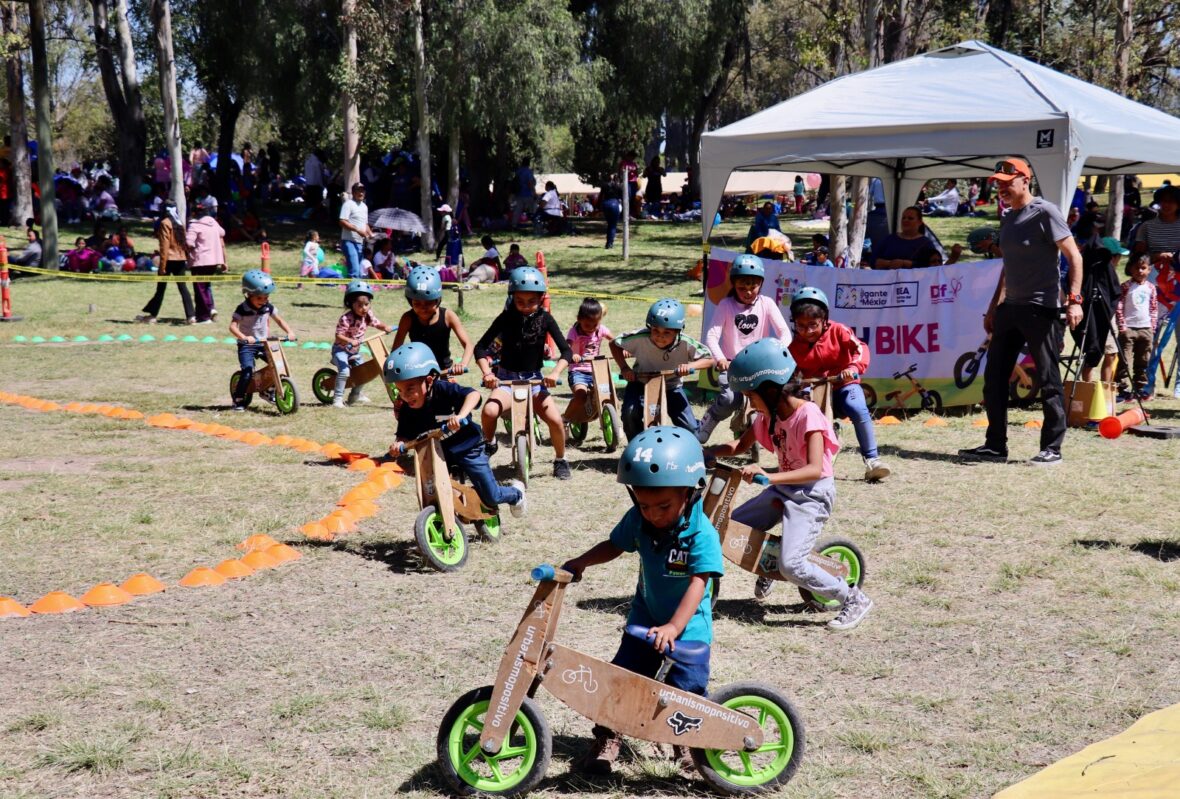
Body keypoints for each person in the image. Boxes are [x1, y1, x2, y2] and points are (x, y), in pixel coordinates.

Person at [562, 426, 722, 776]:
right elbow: (614, 545)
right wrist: (580, 562)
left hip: (689, 626)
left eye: (663, 505)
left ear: (689, 491)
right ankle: (608, 737)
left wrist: (674, 627)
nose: (653, 513)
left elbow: (699, 583)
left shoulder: (701, 533)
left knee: (686, 689)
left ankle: (685, 743)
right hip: (646, 616)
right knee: (623, 679)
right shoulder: (639, 520)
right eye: (644, 504)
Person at [704, 339, 873, 628]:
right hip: (783, 490)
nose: (748, 402)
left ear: (771, 389)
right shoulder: (765, 416)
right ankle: (769, 565)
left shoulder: (808, 415)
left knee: (792, 564)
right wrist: (703, 451)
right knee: (726, 526)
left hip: (811, 495)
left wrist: (769, 476)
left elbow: (814, 469)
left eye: (750, 395)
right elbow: (737, 446)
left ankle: (853, 598)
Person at [958, 157, 1084, 466]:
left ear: (1025, 180)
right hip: (1009, 309)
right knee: (994, 378)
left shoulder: (1045, 212)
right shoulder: (1007, 218)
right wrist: (993, 307)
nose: (1001, 188)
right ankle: (995, 446)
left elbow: (1074, 256)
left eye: (1007, 182)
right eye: (997, 184)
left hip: (1042, 309)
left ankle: (1052, 449)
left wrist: (1075, 299)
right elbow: (1007, 267)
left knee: (1048, 379)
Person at [385, 342, 526, 517]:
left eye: (410, 389)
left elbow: (473, 395)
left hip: (469, 448)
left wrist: (461, 415)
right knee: (433, 490)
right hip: (440, 455)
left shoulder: (442, 389)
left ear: (429, 380)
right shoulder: (407, 408)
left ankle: (515, 493)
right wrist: (399, 444)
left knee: (491, 496)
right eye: (400, 391)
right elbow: (403, 434)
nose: (405, 396)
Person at [473, 267, 574, 480]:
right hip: (506, 380)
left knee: (555, 421)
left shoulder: (546, 319)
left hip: (535, 381)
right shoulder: (505, 318)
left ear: (540, 299)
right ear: (512, 298)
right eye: (520, 301)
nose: (526, 306)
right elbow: (480, 348)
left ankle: (560, 460)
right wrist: (487, 374)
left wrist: (555, 373)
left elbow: (566, 351)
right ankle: (490, 443)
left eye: (531, 301)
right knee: (490, 411)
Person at [788, 288, 889, 481]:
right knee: (805, 416)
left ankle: (872, 460)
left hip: (844, 385)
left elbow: (860, 348)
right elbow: (790, 373)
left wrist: (853, 367)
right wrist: (795, 383)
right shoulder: (794, 348)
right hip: (816, 390)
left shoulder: (839, 330)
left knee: (857, 407)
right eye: (801, 326)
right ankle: (812, 462)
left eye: (813, 325)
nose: (807, 331)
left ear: (824, 320)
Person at [697, 254, 792, 444]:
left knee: (771, 400)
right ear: (733, 285)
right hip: (732, 365)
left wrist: (776, 349)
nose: (748, 292)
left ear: (761, 284)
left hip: (759, 366)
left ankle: (769, 435)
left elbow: (785, 333)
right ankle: (709, 419)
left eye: (753, 287)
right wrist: (721, 358)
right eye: (742, 288)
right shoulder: (726, 305)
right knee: (730, 399)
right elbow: (712, 336)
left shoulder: (767, 303)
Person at [610, 299, 713, 439]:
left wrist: (690, 366)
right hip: (640, 382)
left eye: (667, 332)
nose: (660, 336)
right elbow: (614, 344)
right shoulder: (640, 337)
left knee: (691, 430)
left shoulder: (685, 342)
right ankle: (637, 444)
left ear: (677, 331)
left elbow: (709, 359)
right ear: (649, 327)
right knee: (630, 413)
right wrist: (624, 368)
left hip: (671, 386)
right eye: (655, 330)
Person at [228, 270, 294, 411]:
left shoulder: (268, 307)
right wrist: (244, 337)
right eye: (259, 298)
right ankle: (238, 398)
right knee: (247, 371)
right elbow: (232, 327)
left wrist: (289, 332)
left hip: (264, 343)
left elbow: (279, 320)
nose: (263, 301)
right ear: (249, 294)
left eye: (266, 297)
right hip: (247, 345)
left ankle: (267, 390)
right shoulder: (242, 308)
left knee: (277, 364)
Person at [393, 265, 473, 375]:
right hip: (419, 373)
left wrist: (462, 364)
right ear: (410, 302)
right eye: (417, 303)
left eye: (428, 302)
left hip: (445, 372)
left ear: (437, 300)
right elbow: (395, 351)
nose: (423, 308)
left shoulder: (448, 316)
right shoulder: (407, 319)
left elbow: (468, 344)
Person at [331, 279, 393, 407]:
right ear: (351, 304)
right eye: (359, 305)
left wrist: (385, 327)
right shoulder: (346, 318)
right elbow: (338, 336)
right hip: (341, 350)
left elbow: (376, 323)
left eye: (366, 304)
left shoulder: (367, 315)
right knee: (344, 371)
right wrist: (350, 341)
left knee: (364, 373)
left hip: (354, 351)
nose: (363, 308)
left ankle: (355, 394)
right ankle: (337, 399)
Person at [137, 202, 195, 324]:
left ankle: (152, 316)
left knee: (160, 289)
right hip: (180, 259)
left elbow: (165, 246)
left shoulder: (165, 223)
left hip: (169, 260)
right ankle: (191, 317)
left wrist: (162, 266)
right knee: (183, 288)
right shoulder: (180, 223)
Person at [1114, 252, 1159, 401]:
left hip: (1146, 329)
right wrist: (1122, 326)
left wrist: (1152, 327)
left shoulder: (1151, 288)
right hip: (1128, 329)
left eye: (1143, 268)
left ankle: (1140, 388)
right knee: (1124, 360)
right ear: (1131, 269)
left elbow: (1153, 308)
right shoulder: (1126, 286)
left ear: (1149, 270)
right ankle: (1122, 389)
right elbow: (1119, 306)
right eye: (1137, 268)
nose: (1140, 271)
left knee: (1143, 360)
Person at [563, 298, 614, 422]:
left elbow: (614, 340)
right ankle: (565, 418)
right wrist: (573, 355)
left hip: (595, 370)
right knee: (580, 396)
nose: (591, 328)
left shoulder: (601, 329)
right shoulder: (574, 331)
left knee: (609, 393)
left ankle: (613, 419)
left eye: (594, 325)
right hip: (578, 371)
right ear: (579, 319)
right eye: (587, 325)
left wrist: (623, 349)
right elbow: (566, 346)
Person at [187, 196, 226, 324]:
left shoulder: (194, 226)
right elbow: (223, 233)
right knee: (206, 286)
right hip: (214, 261)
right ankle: (210, 308)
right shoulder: (214, 223)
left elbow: (189, 243)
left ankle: (204, 317)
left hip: (200, 262)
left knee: (200, 288)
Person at [873, 207, 938, 269]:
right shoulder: (889, 239)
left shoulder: (926, 243)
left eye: (910, 218)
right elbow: (873, 260)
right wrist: (889, 263)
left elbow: (933, 266)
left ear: (919, 222)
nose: (905, 220)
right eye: (903, 218)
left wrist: (907, 263)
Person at [338, 182, 372, 280]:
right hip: (348, 241)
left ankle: (355, 290)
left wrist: (370, 234)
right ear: (353, 192)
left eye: (363, 191)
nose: (361, 193)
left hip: (360, 243)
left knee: (359, 270)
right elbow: (342, 221)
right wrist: (357, 230)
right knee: (355, 271)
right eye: (358, 190)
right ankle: (353, 293)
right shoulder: (348, 204)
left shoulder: (364, 207)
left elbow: (365, 224)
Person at [600, 174, 623, 249]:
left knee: (610, 224)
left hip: (606, 203)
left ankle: (608, 242)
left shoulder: (604, 186)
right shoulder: (618, 186)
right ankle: (610, 243)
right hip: (614, 203)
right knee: (613, 225)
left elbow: (601, 196)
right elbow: (622, 196)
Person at [512, 158, 537, 223]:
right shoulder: (528, 171)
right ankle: (534, 223)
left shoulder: (518, 171)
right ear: (528, 163)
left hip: (518, 193)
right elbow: (530, 183)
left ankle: (514, 224)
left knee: (517, 210)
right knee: (533, 208)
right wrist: (534, 193)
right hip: (527, 194)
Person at [303, 149, 326, 217]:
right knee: (316, 202)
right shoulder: (318, 163)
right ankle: (311, 214)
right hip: (316, 185)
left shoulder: (307, 161)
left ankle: (308, 214)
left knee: (309, 202)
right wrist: (322, 185)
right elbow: (319, 175)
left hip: (308, 184)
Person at [619, 150, 640, 217]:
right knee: (628, 197)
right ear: (628, 156)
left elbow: (637, 174)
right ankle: (624, 213)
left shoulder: (634, 164)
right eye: (631, 156)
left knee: (633, 198)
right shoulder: (623, 163)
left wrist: (636, 170)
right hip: (627, 182)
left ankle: (630, 213)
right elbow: (621, 172)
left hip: (634, 182)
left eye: (633, 157)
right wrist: (629, 171)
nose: (632, 158)